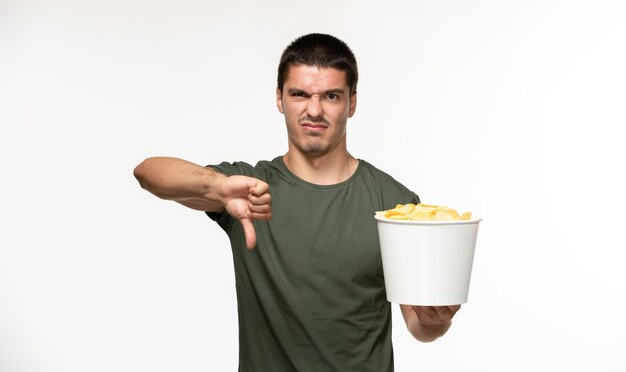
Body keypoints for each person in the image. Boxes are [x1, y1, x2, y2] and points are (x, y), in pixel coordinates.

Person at [134, 33, 461, 372]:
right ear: (280, 99)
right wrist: (217, 186)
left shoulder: (394, 204)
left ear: (352, 103)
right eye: (300, 94)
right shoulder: (249, 189)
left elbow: (419, 326)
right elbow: (148, 173)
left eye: (331, 96)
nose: (314, 110)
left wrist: (436, 319)